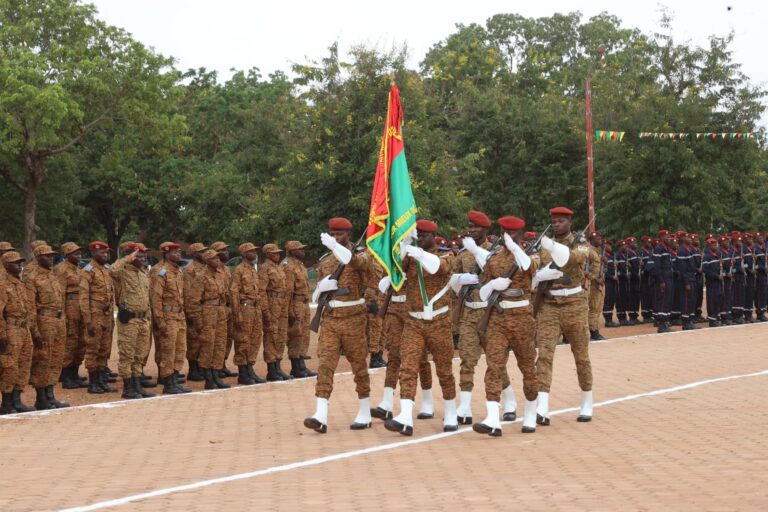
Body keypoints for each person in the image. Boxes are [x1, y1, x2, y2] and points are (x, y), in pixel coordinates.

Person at [384, 219, 458, 436]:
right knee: (408, 367)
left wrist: (421, 254)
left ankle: (451, 411)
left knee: (444, 370)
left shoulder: (446, 256)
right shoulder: (411, 258)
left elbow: (439, 268)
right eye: (419, 235)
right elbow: (396, 266)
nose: (422, 239)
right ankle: (405, 415)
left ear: (434, 237)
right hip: (413, 322)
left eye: (426, 236)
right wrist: (403, 243)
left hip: (439, 323)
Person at [304, 217, 375, 433]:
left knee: (359, 366)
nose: (336, 238)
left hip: (354, 318)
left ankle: (365, 411)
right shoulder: (325, 260)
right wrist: (320, 288)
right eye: (333, 234)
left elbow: (356, 263)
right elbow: (316, 296)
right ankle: (321, 414)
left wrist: (336, 247)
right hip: (331, 319)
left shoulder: (361, 254)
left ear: (349, 234)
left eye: (340, 234)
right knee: (325, 365)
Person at [472, 215, 539, 436]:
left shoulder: (530, 255)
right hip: (498, 319)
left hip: (522, 318)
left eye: (513, 234)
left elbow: (529, 267)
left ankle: (530, 411)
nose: (508, 237)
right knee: (494, 366)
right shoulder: (494, 259)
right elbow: (482, 293)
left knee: (527, 366)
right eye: (505, 234)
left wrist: (515, 248)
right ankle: (493, 418)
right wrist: (492, 284)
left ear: (521, 234)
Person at [452, 210, 514, 424]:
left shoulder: (496, 252)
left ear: (486, 230)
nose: (472, 229)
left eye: (476, 226)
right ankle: (465, 407)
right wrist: (461, 279)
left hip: (491, 313)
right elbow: (451, 281)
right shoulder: (462, 254)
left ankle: (509, 401)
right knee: (467, 360)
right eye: (469, 225)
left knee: (496, 362)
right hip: (469, 312)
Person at [533, 206, 593, 425]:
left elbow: (575, 258)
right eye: (554, 221)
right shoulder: (543, 246)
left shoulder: (581, 243)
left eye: (561, 221)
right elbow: (533, 265)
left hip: (574, 304)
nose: (557, 224)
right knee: (545, 355)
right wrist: (538, 273)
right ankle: (542, 406)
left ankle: (586, 400)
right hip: (549, 303)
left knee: (581, 355)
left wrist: (555, 249)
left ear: (569, 222)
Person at [26, 244, 69, 409]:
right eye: (46, 256)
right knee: (43, 359)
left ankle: (50, 395)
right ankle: (41, 397)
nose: (50, 258)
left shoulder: (53, 275)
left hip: (58, 321)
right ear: (38, 258)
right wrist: (35, 331)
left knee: (56, 358)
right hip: (44, 322)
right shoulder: (32, 278)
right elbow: (31, 308)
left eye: (51, 255)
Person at [111, 244, 155, 399]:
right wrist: (128, 257)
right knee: (127, 355)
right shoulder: (122, 272)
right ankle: (128, 388)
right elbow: (112, 270)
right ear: (131, 257)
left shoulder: (143, 273)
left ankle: (137, 386)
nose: (143, 259)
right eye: (139, 256)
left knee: (139, 355)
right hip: (129, 320)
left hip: (143, 319)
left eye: (145, 256)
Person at [149, 242, 191, 394]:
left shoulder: (177, 271)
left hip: (179, 316)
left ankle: (174, 379)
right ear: (166, 253)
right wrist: (160, 321)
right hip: (167, 317)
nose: (179, 254)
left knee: (180, 349)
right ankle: (168, 383)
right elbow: (156, 298)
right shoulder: (160, 271)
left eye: (179, 251)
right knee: (168, 350)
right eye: (175, 252)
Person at [188, 249, 231, 390]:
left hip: (220, 312)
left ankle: (216, 374)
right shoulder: (201, 277)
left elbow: (225, 294)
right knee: (208, 345)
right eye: (214, 259)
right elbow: (194, 302)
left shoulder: (220, 275)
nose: (217, 261)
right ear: (206, 261)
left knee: (219, 344)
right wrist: (199, 322)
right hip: (208, 313)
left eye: (218, 258)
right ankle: (208, 378)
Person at [0, 251, 35, 414]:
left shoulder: (20, 284)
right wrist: (2, 335)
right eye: (15, 263)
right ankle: (6, 403)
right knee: (10, 366)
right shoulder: (2, 285)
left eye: (20, 262)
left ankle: (17, 399)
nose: (19, 265)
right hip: (11, 329)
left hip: (24, 329)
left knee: (24, 363)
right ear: (6, 265)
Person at [80, 241, 117, 394]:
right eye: (102, 252)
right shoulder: (88, 271)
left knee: (104, 349)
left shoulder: (106, 270)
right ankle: (93, 382)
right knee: (93, 349)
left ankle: (102, 380)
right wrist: (88, 321)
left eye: (106, 252)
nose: (105, 255)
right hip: (95, 316)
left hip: (107, 316)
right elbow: (83, 297)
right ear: (93, 253)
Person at [230, 242, 268, 385]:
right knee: (243, 340)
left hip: (255, 309)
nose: (255, 254)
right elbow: (234, 293)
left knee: (255, 339)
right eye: (251, 251)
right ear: (244, 254)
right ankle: (243, 373)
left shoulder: (253, 270)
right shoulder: (239, 270)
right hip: (245, 308)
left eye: (255, 251)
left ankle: (250, 368)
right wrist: (237, 314)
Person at [54, 242, 87, 389]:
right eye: (75, 253)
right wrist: (62, 316)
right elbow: (59, 294)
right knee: (70, 344)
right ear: (67, 255)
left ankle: (75, 373)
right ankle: (66, 377)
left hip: (80, 310)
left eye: (79, 253)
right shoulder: (61, 270)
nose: (79, 256)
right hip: (69, 311)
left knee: (80, 343)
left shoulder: (78, 269)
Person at [282, 240, 316, 379]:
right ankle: (296, 367)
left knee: (303, 335)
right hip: (295, 303)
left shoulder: (300, 265)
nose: (303, 251)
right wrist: (289, 311)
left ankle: (301, 365)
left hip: (303, 303)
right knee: (295, 336)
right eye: (299, 249)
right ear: (291, 252)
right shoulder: (288, 267)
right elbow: (288, 291)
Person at [259, 243, 292, 381]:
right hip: (272, 304)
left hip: (282, 304)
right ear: (267, 254)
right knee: (271, 336)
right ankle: (271, 369)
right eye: (274, 253)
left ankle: (278, 366)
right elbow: (261, 291)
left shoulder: (279, 268)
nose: (278, 255)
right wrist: (265, 310)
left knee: (281, 335)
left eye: (279, 253)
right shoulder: (264, 268)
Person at [211, 242, 238, 379]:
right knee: (217, 339)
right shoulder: (211, 270)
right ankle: (214, 367)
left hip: (227, 308)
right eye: (223, 251)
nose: (227, 253)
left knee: (228, 338)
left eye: (227, 250)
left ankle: (222, 364)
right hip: (216, 309)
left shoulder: (226, 269)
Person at [183, 242, 207, 381]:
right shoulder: (190, 269)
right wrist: (192, 313)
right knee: (194, 340)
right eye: (200, 252)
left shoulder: (204, 268)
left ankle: (200, 366)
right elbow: (188, 293)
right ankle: (193, 369)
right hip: (195, 308)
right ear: (193, 254)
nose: (203, 254)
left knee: (203, 340)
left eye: (204, 251)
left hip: (206, 309)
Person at [651, 230, 675, 333]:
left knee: (667, 301)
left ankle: (665, 323)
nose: (669, 238)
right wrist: (661, 281)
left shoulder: (667, 249)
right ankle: (661, 325)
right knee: (663, 301)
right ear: (661, 238)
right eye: (667, 236)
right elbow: (657, 266)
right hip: (663, 279)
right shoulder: (658, 248)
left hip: (669, 278)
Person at [587, 232, 606, 340]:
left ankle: (594, 329)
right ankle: (593, 332)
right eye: (598, 238)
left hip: (599, 285)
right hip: (591, 285)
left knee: (598, 308)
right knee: (593, 308)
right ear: (592, 239)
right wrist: (595, 278)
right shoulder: (588, 252)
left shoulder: (598, 252)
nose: (600, 240)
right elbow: (583, 270)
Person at [702, 237, 724, 327]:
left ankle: (715, 318)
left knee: (718, 300)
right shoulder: (707, 256)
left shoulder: (718, 255)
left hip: (718, 282)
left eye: (716, 244)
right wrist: (716, 276)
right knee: (712, 301)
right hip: (711, 282)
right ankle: (711, 320)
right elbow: (705, 269)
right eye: (713, 245)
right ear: (709, 246)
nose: (716, 246)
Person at [602, 239, 618, 327]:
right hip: (607, 281)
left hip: (612, 281)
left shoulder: (611, 256)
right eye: (609, 245)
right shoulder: (603, 257)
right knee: (607, 300)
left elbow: (612, 269)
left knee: (611, 300)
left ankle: (610, 319)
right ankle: (608, 320)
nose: (610, 247)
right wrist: (612, 276)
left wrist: (616, 266)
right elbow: (604, 271)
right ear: (605, 246)